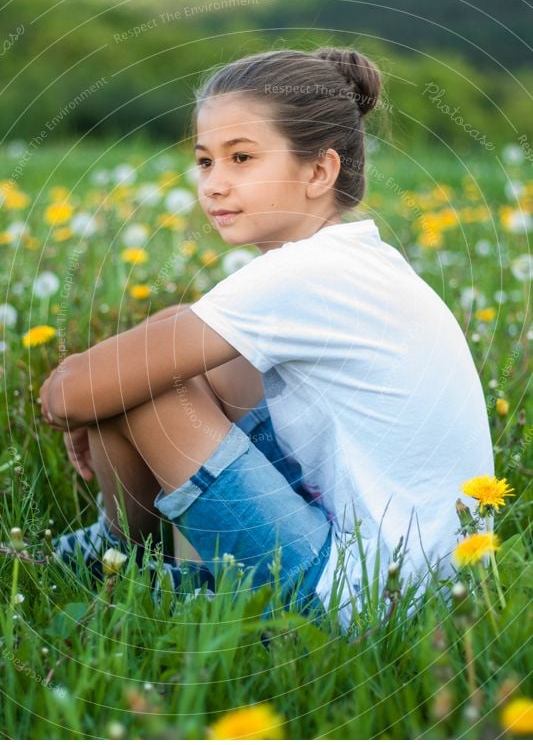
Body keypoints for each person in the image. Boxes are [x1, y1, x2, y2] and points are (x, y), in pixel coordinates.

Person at [41, 46, 495, 634]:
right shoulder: (352, 259)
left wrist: (86, 391)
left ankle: (126, 560)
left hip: (357, 602)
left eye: (242, 158)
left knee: (145, 386)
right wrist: (95, 383)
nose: (215, 185)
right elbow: (153, 345)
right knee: (166, 347)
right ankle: (143, 552)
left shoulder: (302, 276)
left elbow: (67, 396)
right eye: (205, 162)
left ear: (319, 171)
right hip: (432, 584)